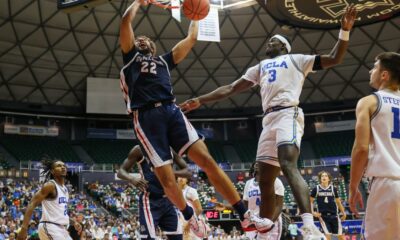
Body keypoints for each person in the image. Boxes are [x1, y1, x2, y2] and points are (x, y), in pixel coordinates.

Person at [180, 5, 357, 240]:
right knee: (264, 178)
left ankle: (308, 225)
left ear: (283, 46)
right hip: (269, 118)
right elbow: (232, 88)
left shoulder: (297, 59)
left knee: (288, 165)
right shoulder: (260, 67)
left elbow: (335, 58)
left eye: (272, 41)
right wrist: (200, 100)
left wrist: (344, 31)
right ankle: (264, 228)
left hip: (288, 113)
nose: (267, 44)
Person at [119, 0, 271, 234]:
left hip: (171, 110)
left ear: (154, 47)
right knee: (167, 178)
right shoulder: (130, 58)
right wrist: (138, 2)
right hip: (146, 117)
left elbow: (190, 39)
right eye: (138, 38)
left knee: (207, 160)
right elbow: (125, 21)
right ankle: (190, 216)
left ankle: (244, 215)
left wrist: (197, 13)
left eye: (147, 39)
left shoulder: (164, 62)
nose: (142, 39)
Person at [349, 52, 400, 239]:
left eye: (375, 67)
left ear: (384, 75)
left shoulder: (369, 102)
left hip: (387, 185)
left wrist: (353, 186)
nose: (371, 70)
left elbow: (361, 148)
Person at [118, 145, 194, 240]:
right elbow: (120, 171)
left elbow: (188, 172)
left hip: (167, 200)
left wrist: (169, 173)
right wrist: (132, 178)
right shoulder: (139, 150)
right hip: (149, 201)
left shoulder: (169, 149)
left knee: (178, 237)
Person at [215, 162, 284, 240]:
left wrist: (268, 224)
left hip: (271, 223)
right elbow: (245, 207)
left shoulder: (275, 181)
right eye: (255, 162)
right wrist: (226, 207)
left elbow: (279, 206)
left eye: (260, 162)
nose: (257, 164)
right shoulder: (248, 183)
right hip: (253, 223)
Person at [17, 159, 81, 240]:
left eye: (64, 166)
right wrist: (24, 228)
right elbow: (32, 204)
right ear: (52, 171)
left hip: (61, 229)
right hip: (50, 226)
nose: (63, 167)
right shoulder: (50, 185)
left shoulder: (65, 189)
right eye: (59, 166)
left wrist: (74, 222)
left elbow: (60, 214)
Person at [310, 171, 346, 240]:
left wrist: (343, 213)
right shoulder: (316, 189)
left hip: (334, 215)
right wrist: (313, 212)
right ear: (320, 179)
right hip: (323, 216)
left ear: (329, 179)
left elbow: (338, 202)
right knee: (327, 236)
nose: (324, 177)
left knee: (341, 237)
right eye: (322, 176)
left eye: (325, 176)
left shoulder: (333, 188)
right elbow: (310, 201)